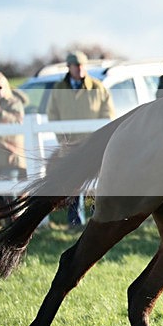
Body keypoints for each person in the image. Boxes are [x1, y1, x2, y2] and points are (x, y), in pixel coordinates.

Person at [46, 51, 116, 226]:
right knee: (73, 182)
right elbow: (52, 114)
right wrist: (62, 139)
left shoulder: (97, 87)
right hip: (70, 145)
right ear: (69, 67)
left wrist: (100, 138)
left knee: (96, 181)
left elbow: (108, 114)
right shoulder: (59, 89)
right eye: (76, 66)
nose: (80, 69)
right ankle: (75, 220)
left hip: (93, 144)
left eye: (83, 65)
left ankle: (98, 218)